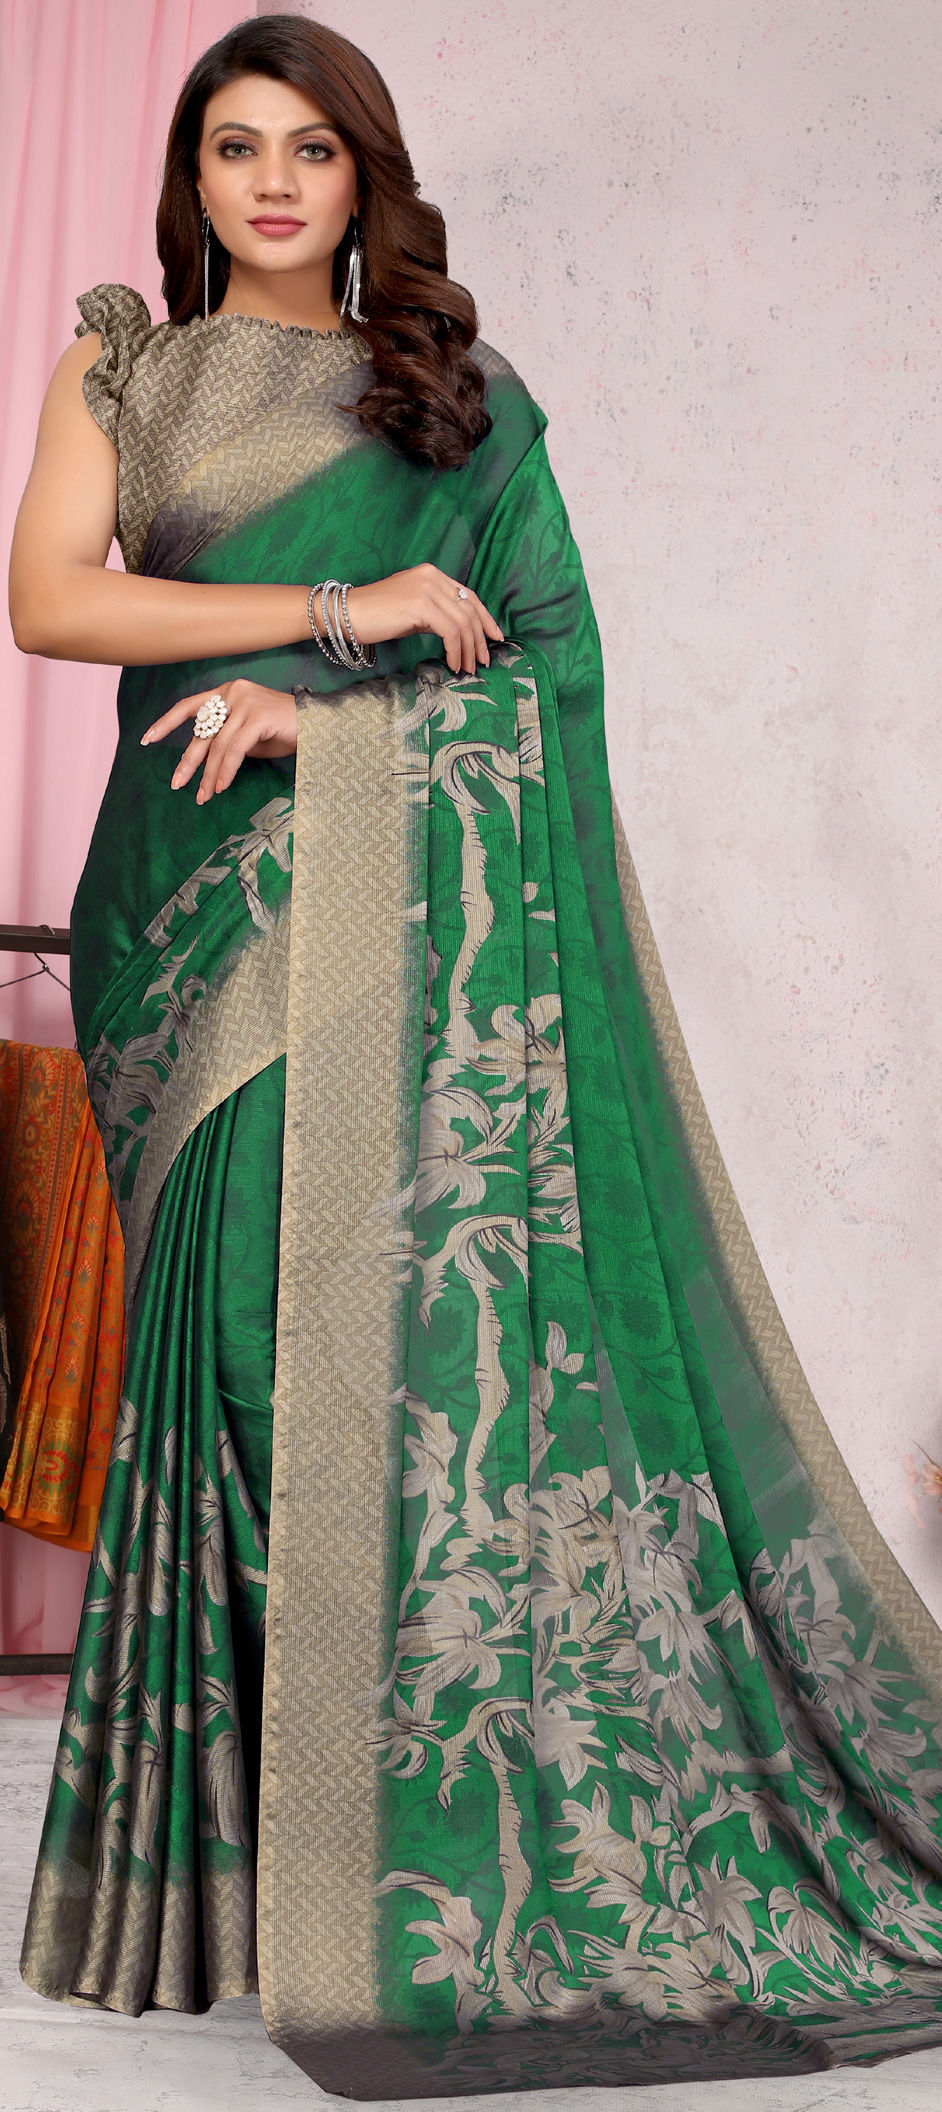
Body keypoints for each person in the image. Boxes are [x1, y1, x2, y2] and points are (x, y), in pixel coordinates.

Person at [8, 11, 942, 2100]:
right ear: (191, 177)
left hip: (380, 915)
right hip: (183, 915)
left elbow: (556, 672)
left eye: (311, 149)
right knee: (229, 1360)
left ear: (365, 177)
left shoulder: (456, 400)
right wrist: (345, 613)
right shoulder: (124, 376)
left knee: (364, 1358)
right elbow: (51, 606)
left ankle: (399, 1863)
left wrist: (321, 715)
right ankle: (242, 1884)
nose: (273, 183)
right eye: (236, 147)